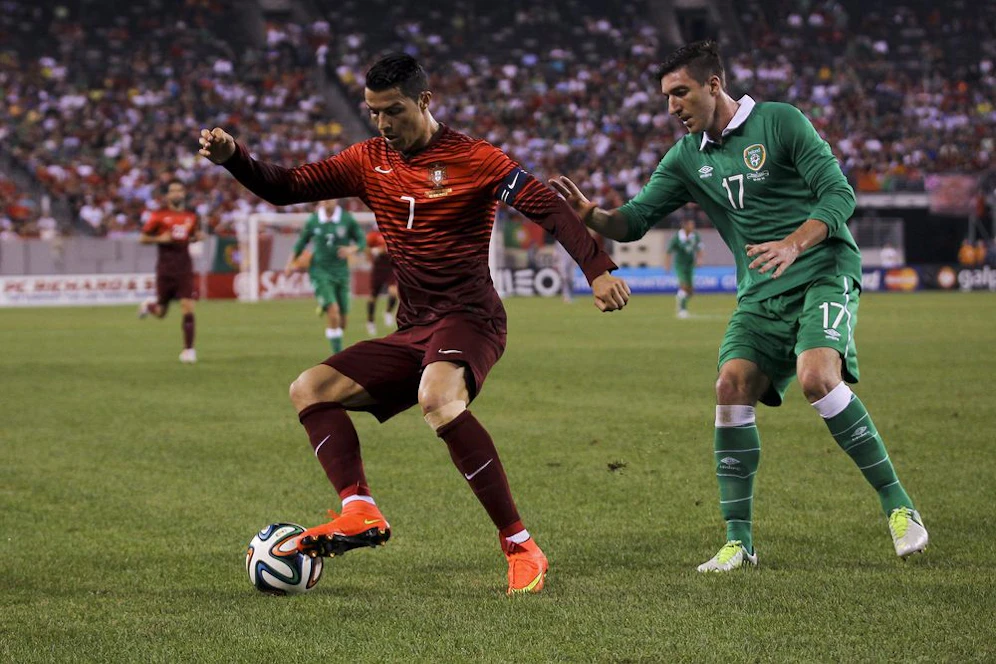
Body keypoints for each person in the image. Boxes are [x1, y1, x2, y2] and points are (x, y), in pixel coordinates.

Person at [199, 53, 630, 594]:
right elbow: (286, 186)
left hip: (470, 318)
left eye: (394, 111)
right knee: (309, 389)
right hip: (414, 327)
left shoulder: (475, 158)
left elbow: (546, 206)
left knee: (438, 397)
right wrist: (235, 158)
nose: (383, 123)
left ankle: (521, 545)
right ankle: (359, 509)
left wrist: (596, 269)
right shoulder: (367, 159)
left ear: (425, 101)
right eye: (374, 112)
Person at [551, 39, 927, 572]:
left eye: (680, 93)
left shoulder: (780, 122)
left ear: (714, 85)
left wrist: (794, 244)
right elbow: (632, 222)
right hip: (759, 292)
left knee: (818, 377)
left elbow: (839, 195)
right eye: (665, 97)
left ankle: (900, 507)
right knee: (730, 386)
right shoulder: (686, 158)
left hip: (822, 272)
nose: (672, 106)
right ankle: (739, 541)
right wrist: (590, 213)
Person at [284, 199, 366, 352]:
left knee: (342, 321)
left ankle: (325, 305)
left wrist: (351, 249)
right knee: (333, 312)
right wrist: (289, 264)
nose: (326, 200)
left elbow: (362, 241)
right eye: (323, 198)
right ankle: (337, 356)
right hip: (319, 271)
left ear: (336, 199)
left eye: (329, 197)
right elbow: (301, 243)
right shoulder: (313, 220)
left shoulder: (347, 219)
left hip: (341, 273)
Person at [138, 180, 202, 363]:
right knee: (160, 312)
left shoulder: (191, 216)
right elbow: (143, 238)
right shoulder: (158, 216)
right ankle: (148, 306)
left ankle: (188, 350)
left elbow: (193, 236)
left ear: (184, 194)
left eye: (179, 190)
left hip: (184, 268)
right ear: (167, 196)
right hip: (165, 269)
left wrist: (197, 237)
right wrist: (160, 239)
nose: (176, 194)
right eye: (173, 191)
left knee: (187, 306)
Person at [664, 216, 703, 318]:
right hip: (680, 265)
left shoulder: (695, 236)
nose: (692, 226)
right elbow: (668, 251)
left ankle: (680, 298)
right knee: (683, 286)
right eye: (690, 224)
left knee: (690, 291)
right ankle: (682, 309)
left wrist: (699, 259)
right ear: (684, 225)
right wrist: (667, 265)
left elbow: (700, 248)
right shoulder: (677, 237)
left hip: (690, 265)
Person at [364, 227, 398, 335]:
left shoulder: (393, 231)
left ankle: (388, 312)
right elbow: (367, 248)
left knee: (394, 291)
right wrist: (375, 253)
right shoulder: (373, 235)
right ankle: (370, 321)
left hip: (390, 266)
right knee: (373, 296)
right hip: (378, 268)